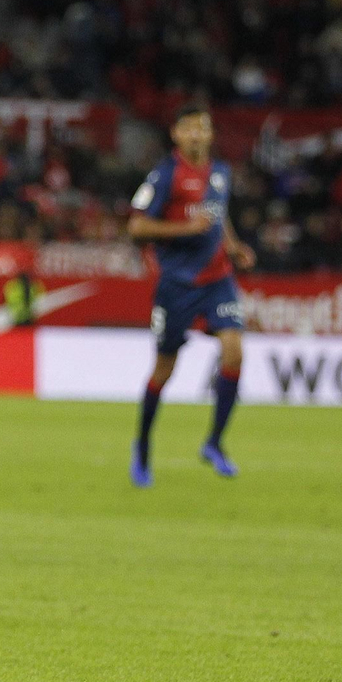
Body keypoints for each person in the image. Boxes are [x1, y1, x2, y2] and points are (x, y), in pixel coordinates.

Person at [127, 105, 255, 487]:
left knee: (234, 350)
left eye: (204, 128)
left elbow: (218, 216)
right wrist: (187, 228)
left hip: (218, 279)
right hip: (177, 285)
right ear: (176, 135)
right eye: (190, 129)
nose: (198, 135)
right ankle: (143, 448)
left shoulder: (220, 172)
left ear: (211, 135)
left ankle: (214, 443)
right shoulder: (165, 175)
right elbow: (136, 228)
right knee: (164, 370)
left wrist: (232, 246)